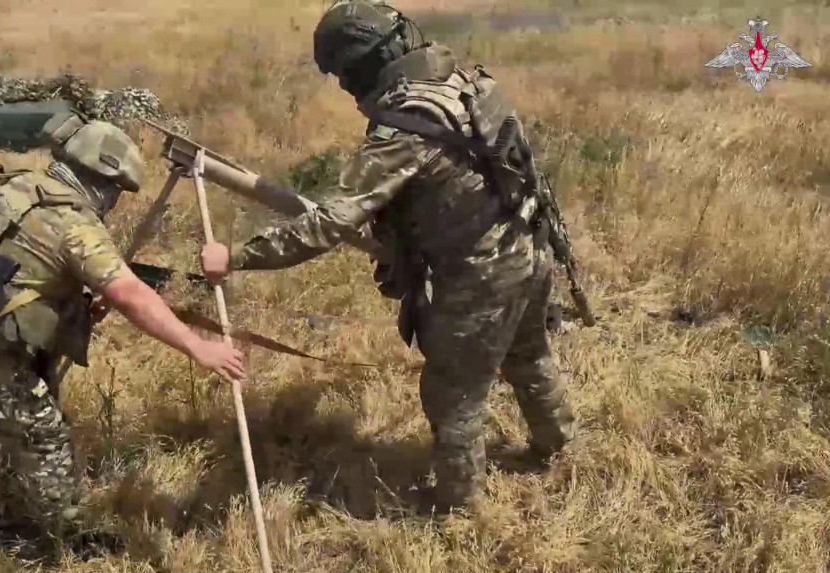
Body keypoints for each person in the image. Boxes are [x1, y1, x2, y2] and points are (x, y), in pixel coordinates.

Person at [200, 0, 578, 512]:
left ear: (362, 66)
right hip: (528, 246)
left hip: (482, 275)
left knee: (453, 394)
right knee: (529, 354)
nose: (345, 88)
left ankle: (459, 505)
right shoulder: (461, 84)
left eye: (344, 75)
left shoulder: (405, 127)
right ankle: (556, 443)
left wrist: (238, 256)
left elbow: (331, 221)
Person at [0, 112, 246, 556]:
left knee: (11, 436)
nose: (115, 202)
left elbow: (5, 266)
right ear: (101, 181)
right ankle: (57, 541)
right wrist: (198, 346)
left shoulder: (10, 185)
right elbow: (130, 294)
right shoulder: (74, 223)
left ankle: (12, 524)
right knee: (44, 436)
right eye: (116, 192)